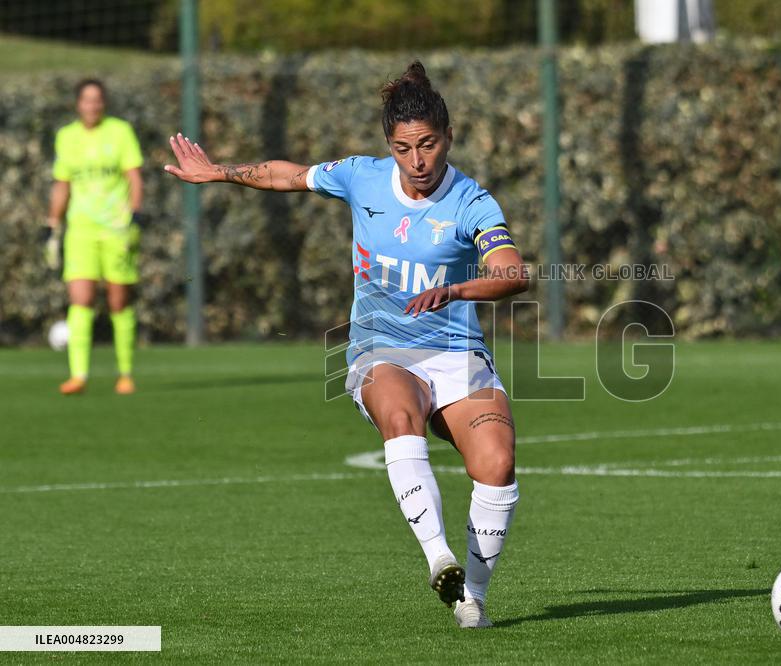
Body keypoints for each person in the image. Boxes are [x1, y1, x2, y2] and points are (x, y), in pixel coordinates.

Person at [164, 61, 529, 629]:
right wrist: (222, 172)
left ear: (449, 137)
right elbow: (290, 176)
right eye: (404, 147)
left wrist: (455, 288)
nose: (418, 160)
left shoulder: (472, 203)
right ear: (390, 145)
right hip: (380, 349)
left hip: (457, 354)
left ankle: (470, 599)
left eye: (429, 144)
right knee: (399, 410)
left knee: (498, 464)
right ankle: (439, 557)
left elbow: (512, 275)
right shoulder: (362, 176)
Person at [46, 79, 144, 395]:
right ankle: (78, 375)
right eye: (87, 100)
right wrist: (52, 223)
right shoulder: (66, 137)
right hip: (81, 230)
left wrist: (135, 214)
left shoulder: (120, 131)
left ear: (104, 103)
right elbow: (62, 184)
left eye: (98, 99)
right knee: (81, 299)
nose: (93, 105)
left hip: (117, 228)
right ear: (78, 104)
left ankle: (125, 373)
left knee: (118, 299)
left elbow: (133, 176)